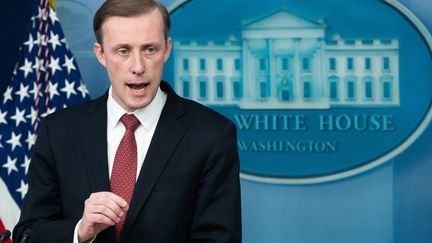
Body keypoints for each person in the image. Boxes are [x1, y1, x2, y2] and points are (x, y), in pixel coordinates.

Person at [12, 0, 242, 242]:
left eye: (150, 49)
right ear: (101, 54)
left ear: (166, 49)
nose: (138, 66)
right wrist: (80, 231)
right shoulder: (58, 131)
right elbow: (27, 234)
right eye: (123, 50)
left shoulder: (211, 135)